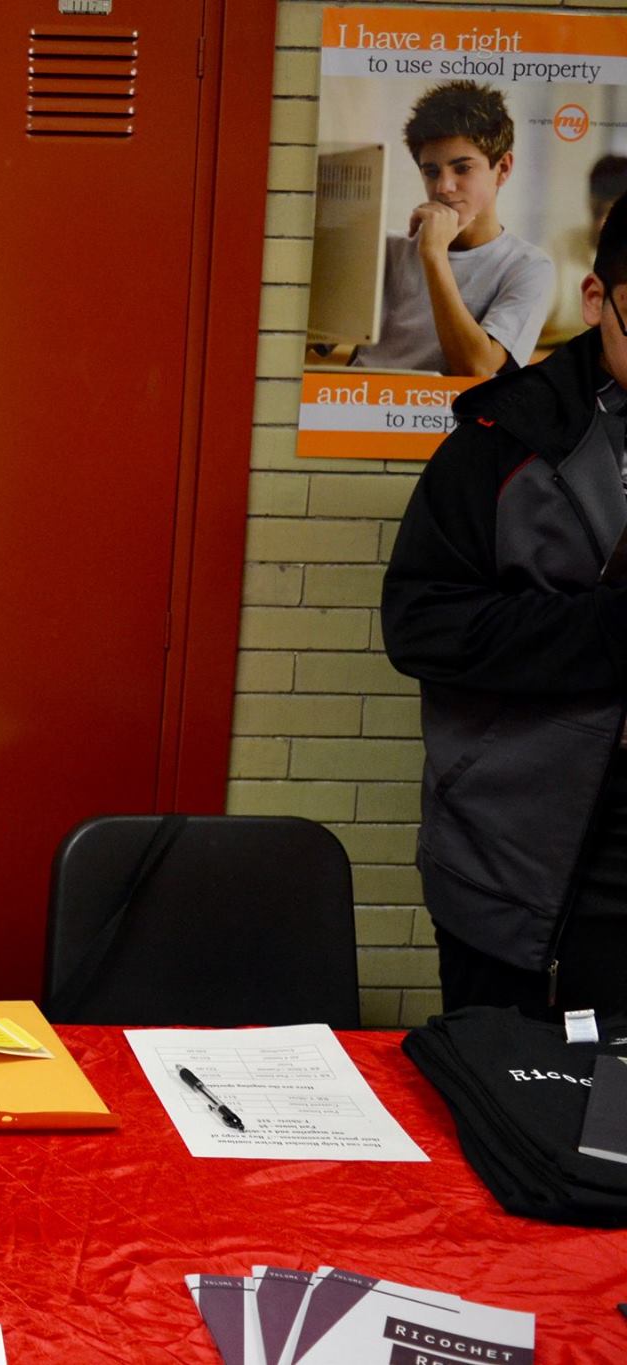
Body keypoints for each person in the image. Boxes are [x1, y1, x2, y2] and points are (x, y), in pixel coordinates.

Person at [382, 193, 627, 1016]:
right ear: (595, 299)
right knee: (502, 1085)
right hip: (516, 863)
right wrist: (605, 633)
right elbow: (422, 624)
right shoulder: (502, 436)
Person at [352, 81, 551, 378]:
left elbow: (477, 369)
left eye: (462, 168)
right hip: (355, 397)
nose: (443, 187)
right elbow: (311, 339)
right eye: (431, 172)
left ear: (503, 168)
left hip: (440, 406)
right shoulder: (385, 250)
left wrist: (434, 254)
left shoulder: (527, 266)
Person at [542, 154, 627, 346]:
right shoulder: (560, 249)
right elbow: (530, 312)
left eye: (613, 215)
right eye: (597, 212)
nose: (601, 223)